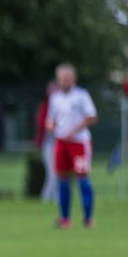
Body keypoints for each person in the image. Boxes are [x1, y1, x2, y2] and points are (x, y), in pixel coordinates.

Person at [46, 63, 97, 228]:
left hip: (79, 143)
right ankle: (65, 218)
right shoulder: (55, 98)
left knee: (83, 180)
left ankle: (88, 218)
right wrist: (51, 126)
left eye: (68, 79)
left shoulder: (82, 96)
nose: (65, 82)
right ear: (58, 80)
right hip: (61, 143)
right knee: (62, 180)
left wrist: (74, 130)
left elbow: (91, 117)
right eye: (62, 79)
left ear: (73, 79)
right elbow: (50, 119)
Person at [35, 81, 58, 202]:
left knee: (58, 173)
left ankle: (55, 199)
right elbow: (43, 125)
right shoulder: (45, 106)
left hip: (60, 143)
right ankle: (45, 198)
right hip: (49, 144)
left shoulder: (62, 106)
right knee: (53, 173)